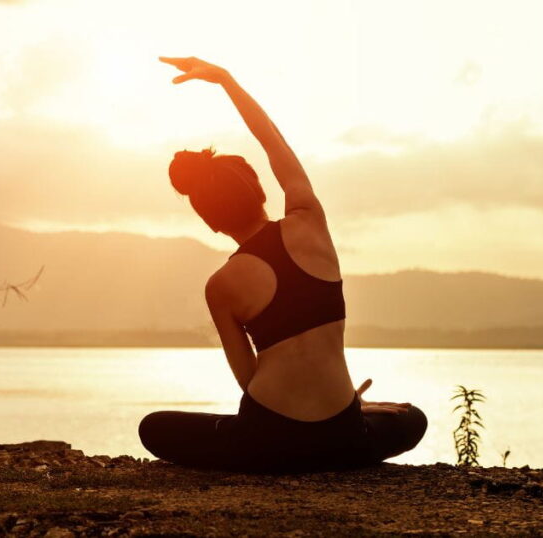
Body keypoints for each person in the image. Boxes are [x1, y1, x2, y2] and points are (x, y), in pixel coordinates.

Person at [138, 56, 427, 473]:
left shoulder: (221, 286)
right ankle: (349, 420)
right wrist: (225, 81)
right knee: (411, 417)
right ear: (259, 190)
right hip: (343, 438)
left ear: (211, 222)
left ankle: (282, 444)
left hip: (267, 445)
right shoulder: (310, 222)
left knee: (155, 428)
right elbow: (274, 142)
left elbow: (249, 379)